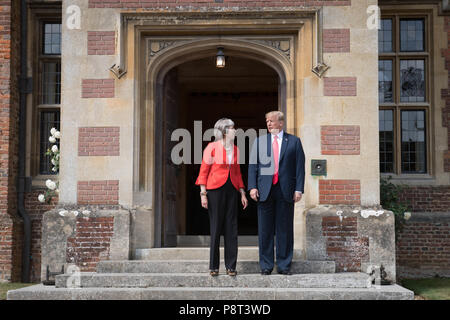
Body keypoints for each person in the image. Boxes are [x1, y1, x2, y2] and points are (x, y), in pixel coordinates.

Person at [248, 111, 305, 275]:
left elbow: (300, 167)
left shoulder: (294, 141)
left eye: (272, 121)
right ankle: (266, 266)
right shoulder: (259, 142)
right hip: (265, 190)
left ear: (281, 123)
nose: (269, 124)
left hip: (286, 191)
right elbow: (253, 166)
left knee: (284, 229)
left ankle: (284, 265)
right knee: (265, 230)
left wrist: (299, 189)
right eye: (267, 121)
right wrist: (252, 187)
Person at [196, 118, 248, 277]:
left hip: (232, 190)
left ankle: (231, 266)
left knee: (231, 228)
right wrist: (203, 194)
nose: (235, 130)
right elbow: (203, 171)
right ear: (224, 131)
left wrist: (242, 192)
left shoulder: (237, 149)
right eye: (233, 128)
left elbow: (238, 172)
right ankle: (214, 266)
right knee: (216, 227)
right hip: (214, 191)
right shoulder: (211, 147)